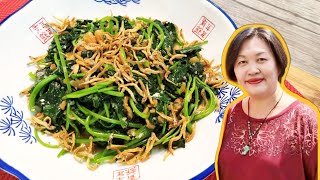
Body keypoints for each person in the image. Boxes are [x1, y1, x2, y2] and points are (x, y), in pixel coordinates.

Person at [213, 24, 319, 180]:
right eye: (242, 62)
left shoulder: (304, 117)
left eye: (261, 59)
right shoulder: (232, 112)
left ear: (278, 63)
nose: (252, 70)